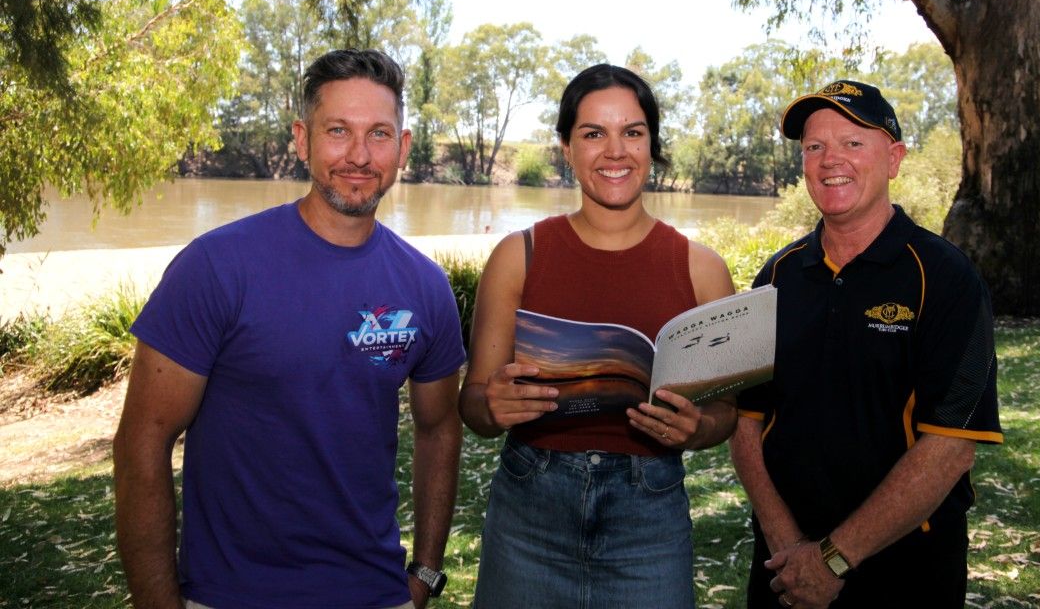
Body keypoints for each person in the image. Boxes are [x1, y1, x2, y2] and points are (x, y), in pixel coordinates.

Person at [112, 49, 465, 609]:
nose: (358, 155)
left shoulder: (424, 287)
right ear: (302, 140)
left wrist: (425, 571)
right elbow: (142, 442)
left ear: (402, 148)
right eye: (337, 131)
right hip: (230, 594)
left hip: (373, 592)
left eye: (378, 133)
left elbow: (439, 427)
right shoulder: (216, 267)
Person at [459, 64, 737, 608]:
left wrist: (696, 427)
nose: (616, 152)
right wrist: (494, 406)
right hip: (528, 511)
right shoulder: (518, 256)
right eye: (593, 134)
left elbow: (725, 414)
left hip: (649, 518)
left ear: (652, 145)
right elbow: (473, 405)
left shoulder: (703, 270)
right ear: (566, 147)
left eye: (632, 132)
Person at [732, 80, 1003, 609]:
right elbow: (746, 423)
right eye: (814, 146)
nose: (831, 159)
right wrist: (788, 545)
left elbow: (952, 446)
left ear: (894, 158)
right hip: (783, 571)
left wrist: (833, 557)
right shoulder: (775, 276)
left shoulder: (947, 278)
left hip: (907, 572)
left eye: (854, 142)